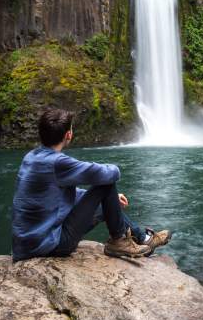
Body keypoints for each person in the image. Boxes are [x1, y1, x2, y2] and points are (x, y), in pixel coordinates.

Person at [11, 107, 171, 261]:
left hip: (26, 245)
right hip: (50, 245)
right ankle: (118, 242)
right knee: (106, 184)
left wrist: (112, 199)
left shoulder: (31, 157)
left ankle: (143, 238)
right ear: (68, 134)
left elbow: (57, 195)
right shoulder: (57, 162)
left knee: (105, 200)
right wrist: (113, 174)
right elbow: (109, 173)